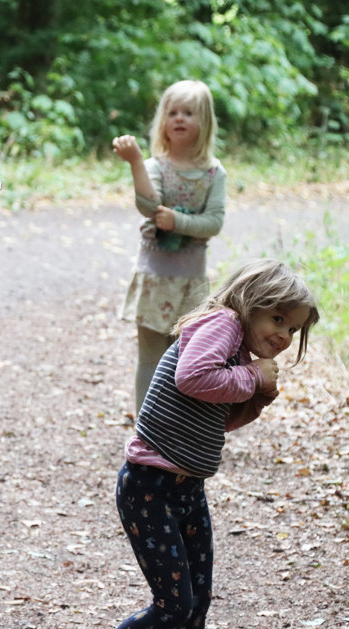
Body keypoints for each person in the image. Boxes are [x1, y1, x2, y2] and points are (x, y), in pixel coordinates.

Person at [115, 259, 319, 628]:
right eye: (278, 319)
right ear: (249, 302)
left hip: (188, 488)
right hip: (150, 486)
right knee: (173, 607)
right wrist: (253, 376)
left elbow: (216, 421)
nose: (286, 335)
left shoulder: (238, 353)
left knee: (196, 604)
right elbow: (192, 378)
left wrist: (257, 396)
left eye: (293, 328)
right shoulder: (222, 322)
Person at [113, 79, 228, 414]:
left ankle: (178, 429)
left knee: (188, 359)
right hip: (155, 279)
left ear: (204, 121)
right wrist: (136, 162)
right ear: (162, 120)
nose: (179, 118)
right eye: (172, 112)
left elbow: (215, 221)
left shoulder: (213, 173)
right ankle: (145, 432)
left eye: (189, 113)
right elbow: (149, 206)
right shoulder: (154, 167)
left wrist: (178, 222)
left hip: (192, 283)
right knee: (149, 357)